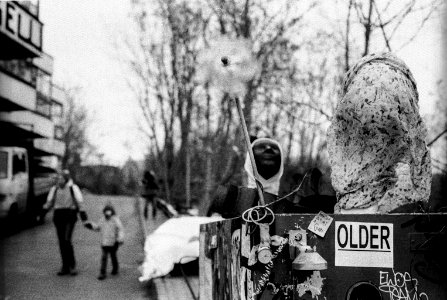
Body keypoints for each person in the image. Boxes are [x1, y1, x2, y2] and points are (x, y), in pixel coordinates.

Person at [327, 53, 431, 214]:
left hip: (358, 87)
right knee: (407, 162)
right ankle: (387, 204)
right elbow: (417, 152)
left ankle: (356, 205)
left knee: (350, 170)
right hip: (399, 86)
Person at [207, 137, 295, 218]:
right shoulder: (228, 197)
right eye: (261, 147)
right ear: (249, 159)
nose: (268, 149)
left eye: (274, 148)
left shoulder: (290, 202)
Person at [42, 169, 88, 276]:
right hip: (58, 216)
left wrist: (83, 215)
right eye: (58, 178)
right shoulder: (54, 189)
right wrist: (42, 212)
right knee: (62, 242)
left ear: (66, 179)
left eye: (61, 178)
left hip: (69, 216)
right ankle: (65, 266)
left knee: (67, 240)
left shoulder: (73, 188)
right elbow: (49, 203)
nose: (59, 180)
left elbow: (80, 202)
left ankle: (72, 266)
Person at [84, 203, 124, 280]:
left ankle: (115, 268)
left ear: (112, 212)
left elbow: (120, 230)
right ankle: (102, 272)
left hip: (113, 242)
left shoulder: (115, 220)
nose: (107, 215)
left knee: (113, 256)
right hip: (105, 242)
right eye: (106, 213)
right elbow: (97, 227)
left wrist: (120, 238)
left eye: (109, 213)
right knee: (104, 257)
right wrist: (91, 226)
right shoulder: (102, 220)